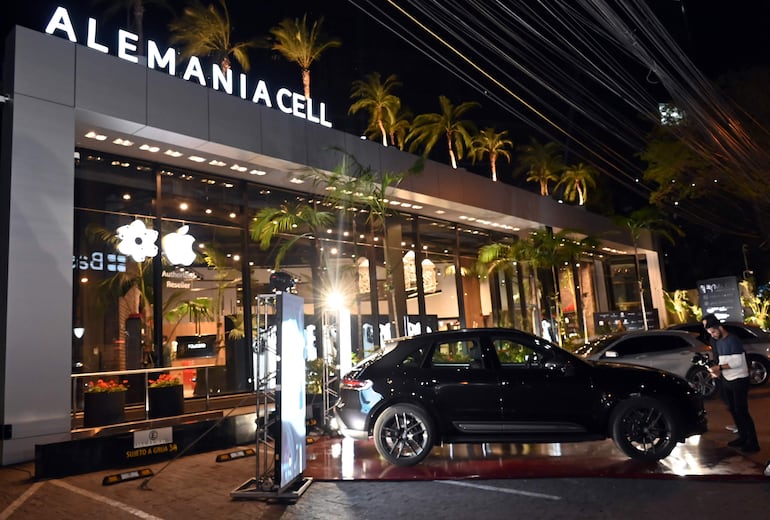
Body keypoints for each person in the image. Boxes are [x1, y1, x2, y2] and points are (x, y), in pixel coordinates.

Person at [704, 314, 760, 453]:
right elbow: (721, 359)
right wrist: (717, 370)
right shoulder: (717, 341)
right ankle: (743, 437)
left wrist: (719, 368)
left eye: (713, 331)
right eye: (710, 333)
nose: (712, 335)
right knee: (734, 410)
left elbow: (738, 362)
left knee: (742, 411)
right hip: (727, 379)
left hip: (739, 379)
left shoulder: (732, 340)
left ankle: (753, 443)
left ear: (719, 327)